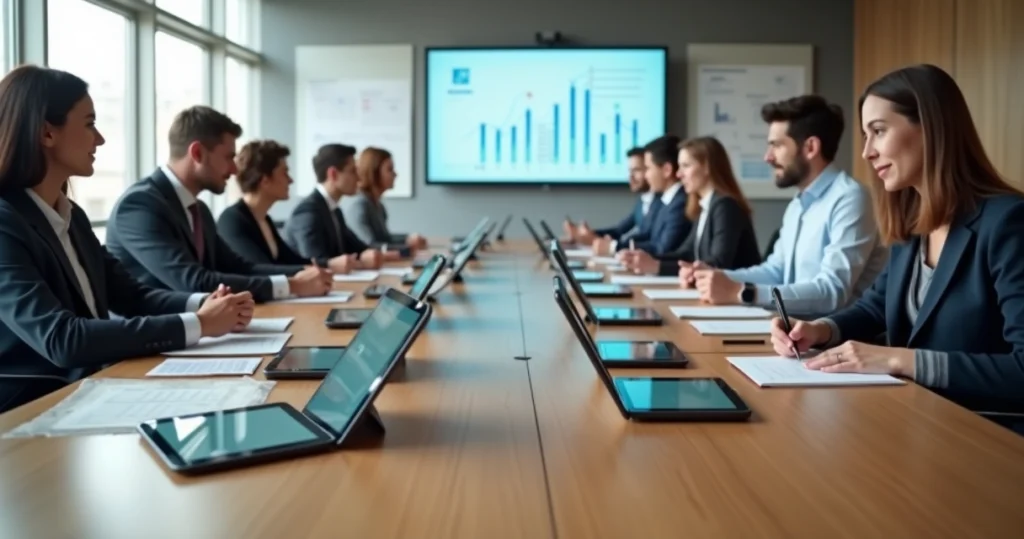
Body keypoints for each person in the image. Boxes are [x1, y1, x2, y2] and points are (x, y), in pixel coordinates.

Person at [770, 64, 1024, 426]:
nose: (867, 152)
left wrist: (899, 359)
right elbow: (874, 310)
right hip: (917, 422)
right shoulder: (914, 224)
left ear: (931, 129)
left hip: (984, 434)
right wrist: (819, 330)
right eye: (865, 135)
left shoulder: (1008, 222)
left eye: (878, 131)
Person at [0, 66, 252, 412]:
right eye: (89, 123)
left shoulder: (71, 215)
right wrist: (201, 323)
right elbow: (63, 339)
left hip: (94, 391)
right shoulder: (4, 223)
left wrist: (206, 304)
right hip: (33, 412)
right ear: (47, 132)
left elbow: (132, 296)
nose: (100, 138)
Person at [106, 106, 333, 303]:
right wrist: (291, 285)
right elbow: (193, 281)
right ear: (197, 153)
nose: (235, 169)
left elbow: (238, 267)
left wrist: (305, 272)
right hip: (156, 343)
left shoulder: (199, 210)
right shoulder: (139, 206)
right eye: (228, 157)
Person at [688, 95, 888, 319]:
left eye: (777, 145)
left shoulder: (850, 198)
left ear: (810, 147)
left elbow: (833, 292)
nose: (767, 157)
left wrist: (744, 293)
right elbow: (776, 271)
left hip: (835, 342)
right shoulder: (798, 203)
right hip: (793, 332)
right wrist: (716, 276)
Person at [622, 136, 761, 276]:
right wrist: (647, 259)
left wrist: (657, 266)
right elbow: (686, 254)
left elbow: (718, 263)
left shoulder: (725, 206)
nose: (679, 174)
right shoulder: (705, 205)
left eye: (686, 166)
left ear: (707, 167)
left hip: (739, 296)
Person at [217, 139, 357, 273]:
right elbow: (258, 269)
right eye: (284, 173)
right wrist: (321, 268)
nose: (290, 180)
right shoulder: (232, 220)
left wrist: (327, 265)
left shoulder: (264, 219)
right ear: (265, 180)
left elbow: (291, 261)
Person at [285, 143, 389, 267]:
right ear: (333, 174)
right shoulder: (308, 212)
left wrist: (369, 253)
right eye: (353, 171)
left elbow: (358, 248)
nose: (359, 178)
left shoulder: (334, 210)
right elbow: (314, 263)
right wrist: (360, 262)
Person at [592, 135, 691, 256]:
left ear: (667, 170)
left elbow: (663, 248)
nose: (646, 175)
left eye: (648, 168)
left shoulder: (680, 202)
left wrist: (614, 247)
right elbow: (649, 237)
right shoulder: (666, 201)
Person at [568, 147, 657, 244]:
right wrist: (588, 235)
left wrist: (606, 244)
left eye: (636, 170)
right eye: (630, 171)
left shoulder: (662, 203)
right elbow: (619, 230)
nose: (630, 176)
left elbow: (649, 240)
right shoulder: (642, 201)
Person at [346, 146, 427, 251]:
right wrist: (407, 247)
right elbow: (368, 246)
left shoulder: (378, 205)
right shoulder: (359, 205)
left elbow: (385, 239)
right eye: (390, 169)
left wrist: (408, 239)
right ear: (374, 172)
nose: (395, 174)